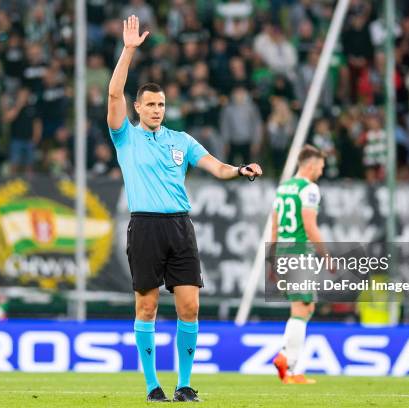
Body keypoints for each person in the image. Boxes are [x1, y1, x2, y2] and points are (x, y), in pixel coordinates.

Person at [107, 15, 262, 403]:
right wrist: (128, 51)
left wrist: (240, 170)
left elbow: (216, 167)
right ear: (138, 108)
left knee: (190, 306)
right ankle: (151, 386)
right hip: (144, 226)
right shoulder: (124, 137)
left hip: (179, 226)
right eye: (150, 104)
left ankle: (185, 385)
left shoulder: (181, 140)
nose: (157, 110)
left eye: (161, 104)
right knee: (147, 305)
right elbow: (113, 96)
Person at [271, 145, 329, 385]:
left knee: (307, 306)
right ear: (310, 165)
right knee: (300, 308)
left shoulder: (283, 187)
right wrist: (325, 254)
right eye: (320, 167)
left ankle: (287, 358)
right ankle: (289, 364)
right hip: (299, 251)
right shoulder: (309, 189)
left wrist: (271, 260)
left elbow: (274, 226)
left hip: (283, 250)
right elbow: (309, 225)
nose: (321, 172)